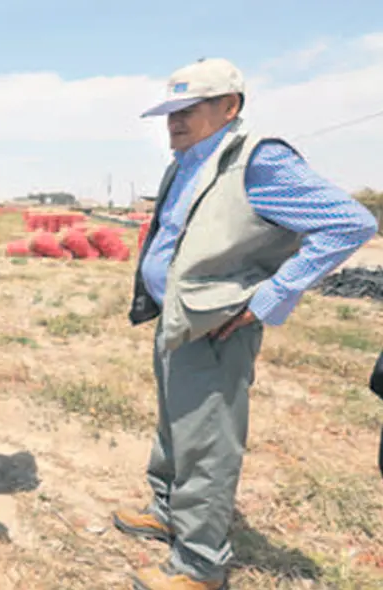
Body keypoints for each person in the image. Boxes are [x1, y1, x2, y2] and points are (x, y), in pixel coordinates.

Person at [113, 57, 379, 590]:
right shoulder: (188, 162)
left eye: (189, 109)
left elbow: (349, 223)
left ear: (230, 106)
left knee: (207, 443)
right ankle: (167, 511)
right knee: (175, 428)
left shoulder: (259, 162)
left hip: (217, 329)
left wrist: (268, 299)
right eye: (170, 112)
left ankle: (199, 565)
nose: (175, 121)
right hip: (179, 318)